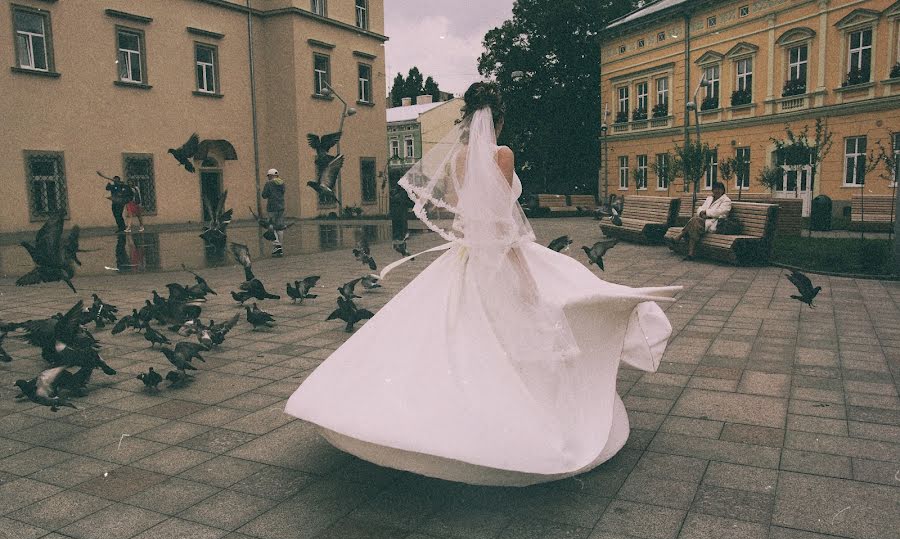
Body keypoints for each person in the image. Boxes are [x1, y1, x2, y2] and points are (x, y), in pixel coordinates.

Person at [284, 82, 680, 486]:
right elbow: (499, 218)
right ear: (500, 119)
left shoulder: (458, 157)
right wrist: (521, 272)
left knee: (452, 337)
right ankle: (512, 424)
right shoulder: (501, 154)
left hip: (466, 256)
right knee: (534, 316)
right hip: (497, 253)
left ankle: (433, 421)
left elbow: (469, 213)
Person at [673, 180, 732, 260]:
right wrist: (701, 213)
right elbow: (701, 208)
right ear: (712, 190)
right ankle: (690, 254)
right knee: (695, 224)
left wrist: (706, 212)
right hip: (703, 221)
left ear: (723, 190)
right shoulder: (709, 198)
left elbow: (721, 212)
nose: (717, 191)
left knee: (694, 221)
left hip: (714, 222)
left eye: (719, 189)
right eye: (715, 189)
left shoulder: (726, 200)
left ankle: (681, 236)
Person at [261, 168, 286, 256]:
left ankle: (277, 246)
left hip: (272, 207)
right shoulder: (282, 183)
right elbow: (283, 192)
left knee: (271, 226)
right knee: (280, 227)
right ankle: (280, 247)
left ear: (270, 175)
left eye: (268, 176)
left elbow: (264, 195)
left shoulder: (268, 183)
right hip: (281, 206)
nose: (268, 177)